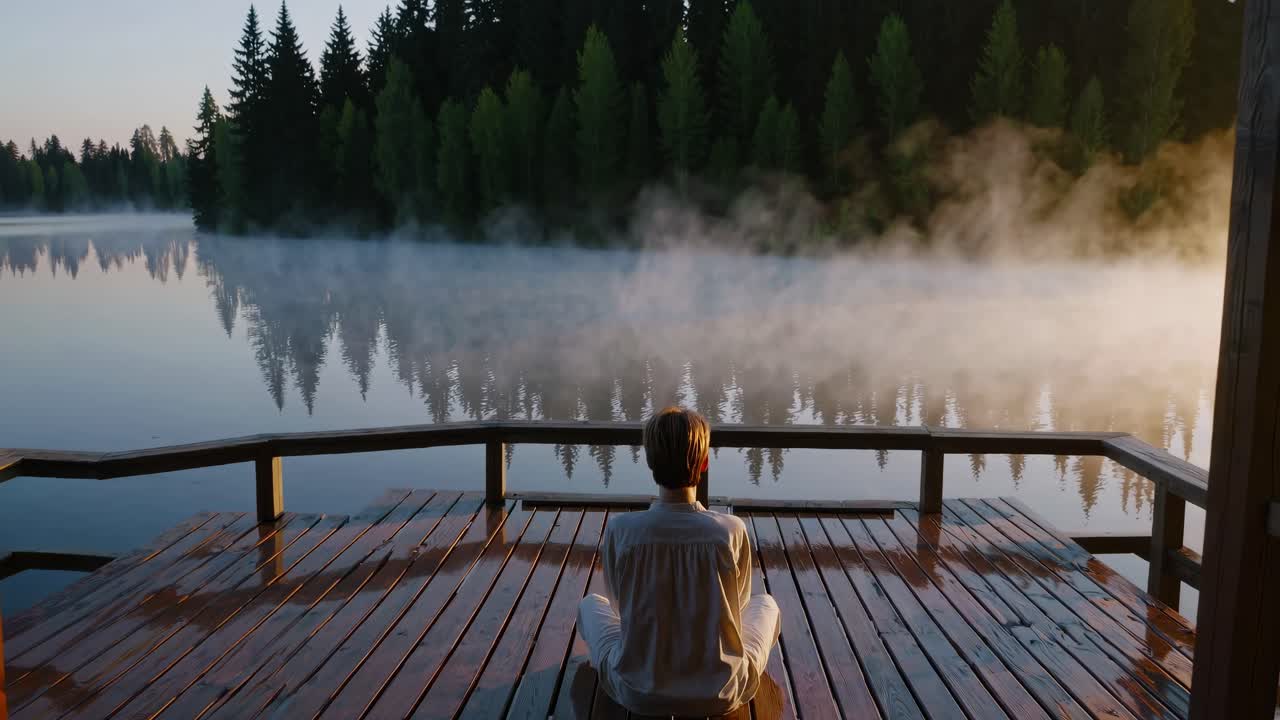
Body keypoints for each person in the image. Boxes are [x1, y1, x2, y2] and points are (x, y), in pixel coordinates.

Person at [577, 406, 782, 716]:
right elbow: (737, 609)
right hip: (721, 692)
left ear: (649, 462)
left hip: (637, 692)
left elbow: (620, 607)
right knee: (766, 605)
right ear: (704, 463)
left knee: (590, 605)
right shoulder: (730, 530)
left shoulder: (622, 530)